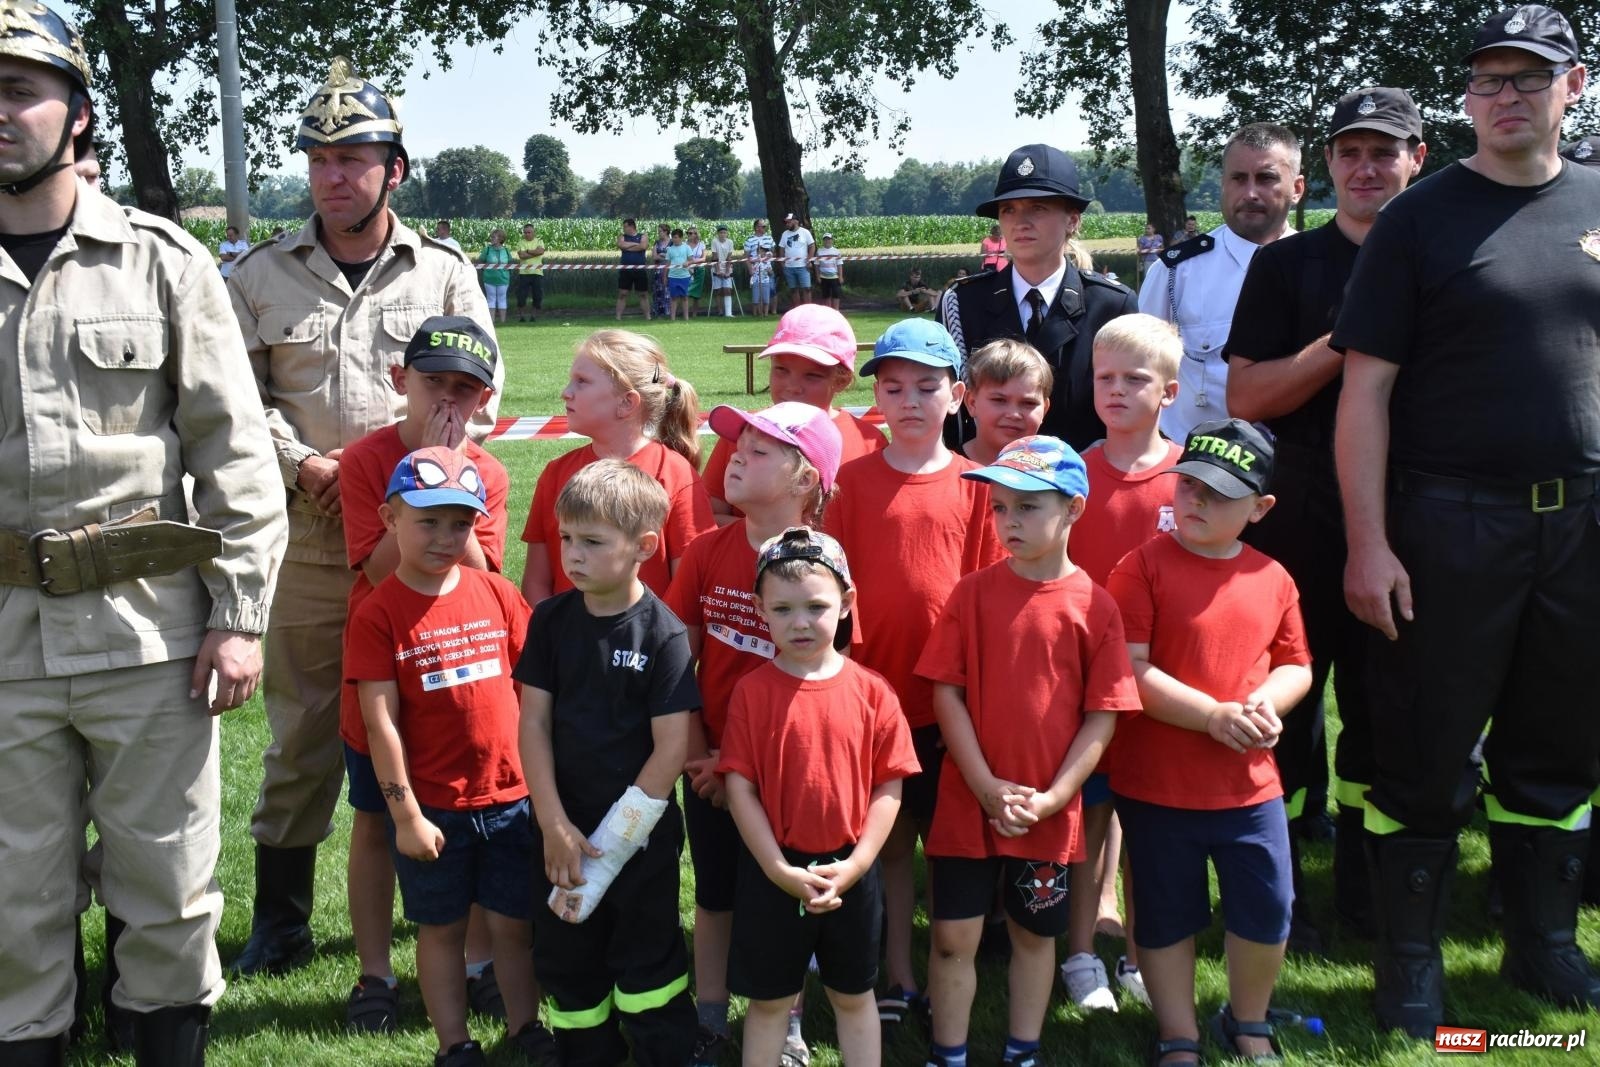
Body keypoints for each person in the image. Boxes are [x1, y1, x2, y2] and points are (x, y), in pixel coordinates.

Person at [0, 5, 288, 1062]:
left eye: (18, 90)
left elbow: (234, 450)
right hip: (3, 643)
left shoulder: (162, 263)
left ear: (77, 113)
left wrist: (240, 617)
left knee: (167, 893)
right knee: (10, 905)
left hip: (150, 636)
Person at [1331, 4, 1600, 1032]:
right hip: (1449, 523)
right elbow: (1364, 393)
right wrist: (1368, 543)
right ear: (1466, 98)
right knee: (1424, 744)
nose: (1505, 97)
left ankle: (1545, 944)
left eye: (1528, 78)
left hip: (1580, 526)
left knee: (1559, 743)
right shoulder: (1419, 218)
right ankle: (1410, 961)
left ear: (1573, 86)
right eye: (1487, 80)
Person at [226, 54, 500, 980]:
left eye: (352, 158)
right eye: (318, 159)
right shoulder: (260, 275)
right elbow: (234, 399)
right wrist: (302, 462)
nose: (332, 175)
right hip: (307, 540)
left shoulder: (445, 272)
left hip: (422, 544)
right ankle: (282, 920)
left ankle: (451, 907)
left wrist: (411, 470)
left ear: (395, 170)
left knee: (441, 712)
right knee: (304, 729)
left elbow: (480, 393)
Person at [1224, 87, 1428, 949]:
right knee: (1290, 711)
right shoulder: (1286, 266)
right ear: (1328, 167)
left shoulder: (1443, 254)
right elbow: (1247, 395)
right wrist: (1344, 340)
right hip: (1301, 510)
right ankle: (1283, 895)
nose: (1366, 168)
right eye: (1350, 152)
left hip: (1414, 507)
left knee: (1388, 711)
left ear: (1417, 159)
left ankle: (1368, 891)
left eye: (1384, 152)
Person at [915, 436, 1139, 1067]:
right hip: (968, 802)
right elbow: (946, 694)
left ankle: (1023, 1051)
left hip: (1047, 811)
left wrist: (1055, 798)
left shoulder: (1096, 606)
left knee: (1036, 935)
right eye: (1000, 508)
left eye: (1028, 506)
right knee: (952, 936)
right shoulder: (970, 594)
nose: (1008, 521)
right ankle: (948, 1054)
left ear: (1073, 509)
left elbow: (1102, 716)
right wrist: (985, 786)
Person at [335, 317, 525, 1037]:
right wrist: (423, 465)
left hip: (461, 689)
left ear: (485, 400)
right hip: (388, 678)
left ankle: (476, 963)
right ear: (400, 381)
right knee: (377, 821)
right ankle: (376, 972)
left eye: (465, 389)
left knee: (467, 826)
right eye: (433, 381)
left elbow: (479, 575)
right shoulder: (367, 460)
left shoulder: (490, 473)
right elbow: (382, 566)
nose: (448, 399)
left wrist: (454, 468)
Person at [1105, 418, 1313, 1067]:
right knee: (1165, 911)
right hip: (1157, 782)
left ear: (1260, 508)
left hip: (1249, 785)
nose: (1195, 500)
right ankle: (1178, 1032)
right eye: (1189, 485)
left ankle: (1247, 1018)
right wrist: (1212, 716)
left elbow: (1296, 664)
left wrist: (1265, 703)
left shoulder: (1273, 577)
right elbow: (1131, 668)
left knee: (1268, 903)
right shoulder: (1141, 566)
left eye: (1219, 493)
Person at [825, 320, 1004, 1037]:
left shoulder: (976, 486)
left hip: (952, 704)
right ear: (875, 397)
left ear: (957, 396)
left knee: (949, 844)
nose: (909, 402)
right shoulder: (852, 483)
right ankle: (897, 971)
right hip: (877, 701)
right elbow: (834, 595)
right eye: (893, 388)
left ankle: (947, 970)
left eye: (927, 387)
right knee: (891, 846)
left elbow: (987, 592)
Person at [346, 448, 543, 1067]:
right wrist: (405, 815)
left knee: (512, 924)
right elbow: (380, 722)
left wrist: (543, 786)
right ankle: (454, 1043)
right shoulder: (378, 613)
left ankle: (526, 1026)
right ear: (390, 519)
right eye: (427, 521)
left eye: (460, 524)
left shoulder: (498, 593)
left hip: (510, 799)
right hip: (434, 808)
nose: (444, 537)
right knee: (442, 929)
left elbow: (534, 691)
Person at [664, 403, 847, 1067]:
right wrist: (701, 758)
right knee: (715, 895)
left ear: (806, 480)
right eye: (739, 443)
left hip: (786, 771)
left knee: (782, 900)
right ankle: (710, 1020)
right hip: (708, 768)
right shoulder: (705, 552)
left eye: (761, 449)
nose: (736, 454)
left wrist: (742, 768)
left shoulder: (825, 568)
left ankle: (786, 1019)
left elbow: (826, 686)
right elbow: (677, 666)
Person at [517, 460, 700, 1066]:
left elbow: (671, 750)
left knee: (648, 963)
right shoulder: (549, 622)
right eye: (567, 537)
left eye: (592, 541)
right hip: (559, 835)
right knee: (567, 960)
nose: (573, 554)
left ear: (644, 546)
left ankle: (661, 1052)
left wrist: (613, 845)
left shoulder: (664, 635)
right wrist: (554, 826)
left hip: (637, 846)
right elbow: (533, 724)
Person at [720, 527, 920, 1067]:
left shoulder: (874, 692)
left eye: (816, 606)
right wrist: (778, 869)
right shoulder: (751, 693)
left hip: (851, 872)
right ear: (759, 609)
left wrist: (858, 865)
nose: (801, 623)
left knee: (854, 998)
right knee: (769, 1004)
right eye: (783, 609)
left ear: (847, 602)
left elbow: (890, 786)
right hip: (773, 873)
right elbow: (739, 788)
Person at [1058, 313, 1184, 1015]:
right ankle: (1080, 954)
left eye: (1135, 378)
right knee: (1088, 820)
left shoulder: (1189, 479)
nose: (1115, 390)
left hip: (1163, 682)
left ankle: (1139, 954)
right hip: (1085, 683)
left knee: (1149, 830)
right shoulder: (1073, 472)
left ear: (1168, 391)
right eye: (1104, 377)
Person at [940, 144, 1138, 450]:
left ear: (1072, 220)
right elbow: (950, 416)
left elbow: (1131, 412)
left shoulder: (1110, 305)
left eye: (1038, 208)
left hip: (1082, 474)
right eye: (1009, 210)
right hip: (986, 475)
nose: (1021, 222)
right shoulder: (963, 303)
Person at [519, 331, 713, 606]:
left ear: (626, 403)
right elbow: (536, 581)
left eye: (582, 381)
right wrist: (552, 629)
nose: (566, 392)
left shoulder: (675, 474)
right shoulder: (556, 474)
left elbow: (691, 589)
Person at [1139, 124, 1304, 441]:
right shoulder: (1176, 272)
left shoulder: (1320, 266)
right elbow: (1140, 372)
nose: (1250, 193)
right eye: (1238, 178)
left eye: (1266, 178)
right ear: (1223, 185)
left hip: (1298, 459)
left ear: (1297, 188)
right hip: (1197, 461)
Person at [702, 305, 886, 525]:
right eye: (781, 370)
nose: (792, 387)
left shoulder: (868, 443)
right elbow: (707, 517)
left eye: (812, 376)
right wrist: (765, 533)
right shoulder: (744, 433)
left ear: (841, 380)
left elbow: (877, 524)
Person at [959, 339, 1053, 466]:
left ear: (1044, 409)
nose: (1013, 414)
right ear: (972, 403)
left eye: (1028, 403)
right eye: (999, 400)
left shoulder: (1055, 472)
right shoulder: (944, 471)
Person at [616, 217, 651, 320]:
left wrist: (628, 247)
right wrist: (636, 244)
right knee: (622, 293)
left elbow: (643, 246)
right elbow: (621, 245)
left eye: (625, 227)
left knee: (643, 294)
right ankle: (618, 317)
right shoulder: (622, 236)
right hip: (625, 270)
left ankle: (648, 317)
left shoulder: (643, 236)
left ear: (631, 226)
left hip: (640, 270)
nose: (624, 229)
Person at [477, 227, 513, 325]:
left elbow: (510, 263)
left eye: (494, 237)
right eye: (491, 237)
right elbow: (480, 261)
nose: (491, 239)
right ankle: (491, 321)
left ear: (500, 239)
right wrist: (486, 270)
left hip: (503, 279)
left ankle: (503, 321)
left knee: (502, 299)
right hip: (489, 279)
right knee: (491, 299)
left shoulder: (506, 250)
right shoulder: (487, 249)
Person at [779, 211, 815, 307]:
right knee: (793, 290)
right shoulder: (785, 234)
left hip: (803, 266)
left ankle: (808, 309)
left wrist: (809, 260)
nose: (787, 224)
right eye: (786, 222)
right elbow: (781, 248)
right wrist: (782, 263)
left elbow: (812, 246)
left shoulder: (805, 232)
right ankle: (797, 309)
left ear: (796, 221)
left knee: (806, 289)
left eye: (789, 222)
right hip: (789, 267)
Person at [513, 222, 545, 323]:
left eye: (529, 232)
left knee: (537, 296)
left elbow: (540, 251)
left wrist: (527, 251)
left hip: (537, 272)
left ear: (534, 232)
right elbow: (522, 256)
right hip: (524, 273)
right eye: (525, 232)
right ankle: (522, 317)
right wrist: (534, 253)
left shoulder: (539, 241)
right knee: (521, 297)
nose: (527, 234)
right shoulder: (520, 242)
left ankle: (533, 317)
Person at [745, 217, 776, 316]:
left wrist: (770, 257)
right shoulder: (749, 239)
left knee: (771, 289)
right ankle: (757, 313)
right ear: (756, 227)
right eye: (762, 226)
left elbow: (773, 251)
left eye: (765, 226)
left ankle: (771, 311)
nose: (764, 228)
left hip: (767, 268)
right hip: (755, 268)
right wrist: (750, 269)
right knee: (756, 293)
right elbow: (746, 256)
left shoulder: (769, 238)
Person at [709, 224, 737, 318]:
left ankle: (728, 313)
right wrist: (718, 271)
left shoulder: (730, 242)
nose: (722, 234)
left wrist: (727, 272)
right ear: (718, 233)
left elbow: (729, 258)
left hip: (727, 268)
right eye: (721, 232)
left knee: (727, 289)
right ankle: (720, 311)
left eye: (724, 232)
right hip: (716, 268)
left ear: (727, 233)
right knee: (718, 290)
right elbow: (714, 257)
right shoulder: (714, 241)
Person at [666, 227, 692, 321]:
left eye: (676, 237)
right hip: (672, 276)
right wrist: (665, 277)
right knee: (673, 297)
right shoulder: (669, 249)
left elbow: (691, 260)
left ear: (681, 238)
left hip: (685, 276)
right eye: (673, 237)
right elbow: (668, 264)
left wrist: (687, 263)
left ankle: (686, 318)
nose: (674, 239)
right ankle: (672, 318)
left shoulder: (687, 247)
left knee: (684, 297)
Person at [814, 231, 844, 310]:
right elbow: (816, 265)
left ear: (832, 240)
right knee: (826, 295)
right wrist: (818, 277)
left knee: (836, 294)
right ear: (823, 241)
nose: (827, 241)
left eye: (829, 239)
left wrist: (840, 276)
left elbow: (839, 264)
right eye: (825, 239)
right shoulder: (819, 251)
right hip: (823, 277)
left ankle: (836, 310)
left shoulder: (836, 251)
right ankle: (828, 310)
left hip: (834, 276)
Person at [684, 225, 708, 316]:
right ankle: (685, 313)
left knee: (696, 294)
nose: (690, 235)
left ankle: (694, 314)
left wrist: (692, 261)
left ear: (696, 234)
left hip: (699, 270)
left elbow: (704, 258)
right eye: (688, 233)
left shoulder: (701, 244)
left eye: (692, 233)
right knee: (686, 292)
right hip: (687, 270)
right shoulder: (684, 245)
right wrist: (689, 263)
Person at [651, 222, 672, 318]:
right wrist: (664, 256)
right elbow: (654, 257)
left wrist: (662, 255)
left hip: (670, 270)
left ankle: (668, 312)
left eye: (660, 231)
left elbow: (673, 257)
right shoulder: (657, 243)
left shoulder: (672, 243)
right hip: (658, 271)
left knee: (668, 290)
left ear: (666, 232)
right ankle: (658, 312)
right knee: (658, 291)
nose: (659, 233)